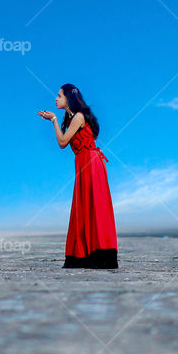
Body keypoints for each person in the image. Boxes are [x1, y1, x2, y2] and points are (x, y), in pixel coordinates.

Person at [37, 84, 118, 268]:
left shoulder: (79, 117)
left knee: (94, 207)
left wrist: (53, 120)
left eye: (59, 95)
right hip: (83, 164)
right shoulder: (71, 117)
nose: (56, 98)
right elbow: (63, 143)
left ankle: (101, 255)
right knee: (84, 207)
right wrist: (56, 120)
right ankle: (85, 254)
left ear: (68, 98)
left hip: (91, 163)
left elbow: (63, 142)